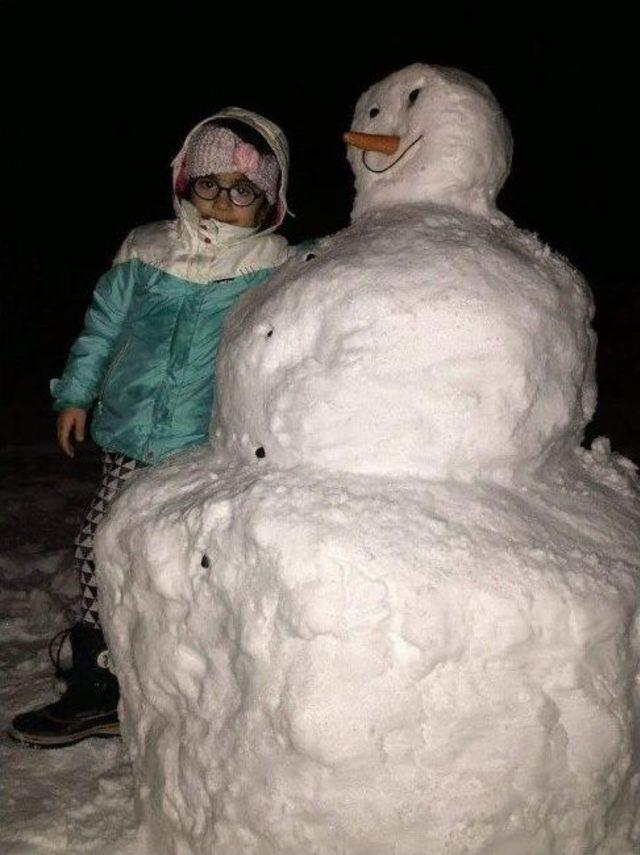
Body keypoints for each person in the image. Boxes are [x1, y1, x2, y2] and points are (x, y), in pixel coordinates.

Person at [8, 108, 292, 748]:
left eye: (244, 190)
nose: (223, 202)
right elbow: (102, 327)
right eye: (210, 184)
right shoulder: (145, 247)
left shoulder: (274, 260)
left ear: (270, 203)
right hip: (133, 435)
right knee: (101, 545)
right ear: (185, 183)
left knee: (191, 560)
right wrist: (76, 394)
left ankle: (179, 673)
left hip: (206, 444)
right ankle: (96, 677)